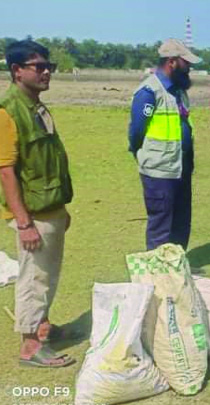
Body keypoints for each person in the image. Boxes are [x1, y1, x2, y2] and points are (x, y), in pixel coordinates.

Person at [0, 40, 77, 367]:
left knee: (48, 275)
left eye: (50, 67)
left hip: (49, 207)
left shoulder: (35, 107)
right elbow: (5, 171)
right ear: (17, 71)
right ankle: (30, 346)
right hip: (31, 213)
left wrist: (60, 208)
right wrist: (24, 222)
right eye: (39, 67)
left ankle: (41, 327)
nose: (47, 72)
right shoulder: (8, 111)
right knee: (35, 278)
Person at [129, 39, 200, 251]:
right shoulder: (149, 92)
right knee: (161, 227)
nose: (190, 68)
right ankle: (157, 276)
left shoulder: (178, 91)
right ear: (172, 62)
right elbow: (136, 132)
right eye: (186, 63)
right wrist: (143, 155)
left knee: (181, 223)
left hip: (180, 168)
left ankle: (176, 270)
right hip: (159, 170)